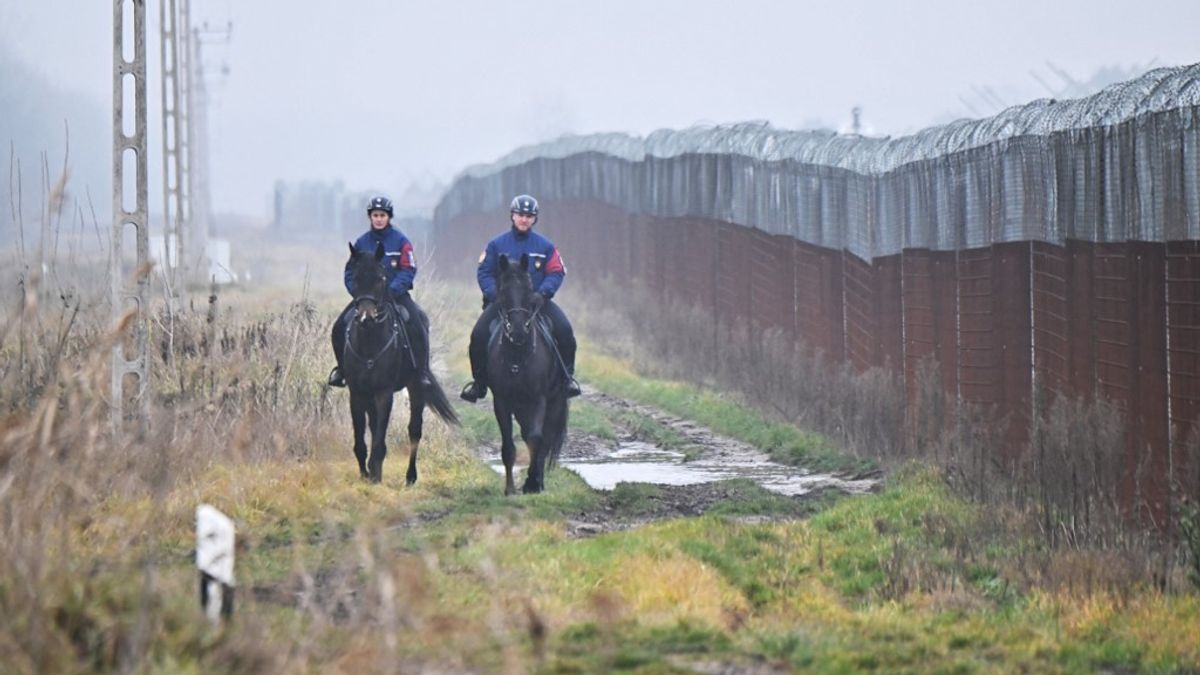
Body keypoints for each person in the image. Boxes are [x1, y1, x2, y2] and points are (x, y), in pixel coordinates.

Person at [460, 194, 581, 402]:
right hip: (503, 305)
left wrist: (542, 293)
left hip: (537, 303)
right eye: (520, 215)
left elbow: (556, 272)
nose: (524, 219)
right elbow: (484, 273)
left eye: (529, 216)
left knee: (565, 330)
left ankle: (566, 379)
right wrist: (494, 295)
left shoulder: (545, 246)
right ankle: (479, 384)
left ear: (534, 219)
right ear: (512, 216)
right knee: (478, 335)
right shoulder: (496, 245)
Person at [328, 195, 431, 388]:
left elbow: (408, 269)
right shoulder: (360, 243)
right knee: (339, 326)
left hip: (396, 296)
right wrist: (357, 293)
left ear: (389, 217)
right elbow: (350, 271)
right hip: (366, 298)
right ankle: (341, 371)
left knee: (418, 322)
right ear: (370, 217)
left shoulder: (401, 242)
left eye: (382, 215)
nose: (378, 219)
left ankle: (422, 371)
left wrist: (392, 290)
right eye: (375, 215)